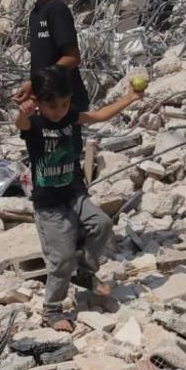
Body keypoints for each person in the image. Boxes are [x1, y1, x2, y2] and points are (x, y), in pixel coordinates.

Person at [15, 64, 142, 331]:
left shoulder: (69, 117)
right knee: (60, 260)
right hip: (49, 204)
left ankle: (85, 272)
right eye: (53, 106)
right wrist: (23, 112)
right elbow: (22, 123)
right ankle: (52, 310)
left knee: (102, 224)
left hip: (73, 192)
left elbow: (97, 116)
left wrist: (129, 98)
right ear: (38, 103)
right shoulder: (35, 123)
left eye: (64, 104)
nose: (59, 111)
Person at [13, 0, 90, 112]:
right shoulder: (35, 13)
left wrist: (36, 82)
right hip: (49, 105)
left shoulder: (56, 9)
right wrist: (34, 93)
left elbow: (72, 58)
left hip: (68, 105)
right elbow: (44, 60)